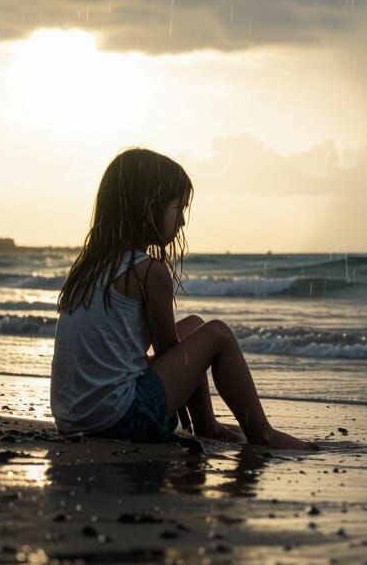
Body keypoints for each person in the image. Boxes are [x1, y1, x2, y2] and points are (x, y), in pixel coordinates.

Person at [50, 147, 316, 449]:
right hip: (119, 420)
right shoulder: (149, 272)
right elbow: (169, 352)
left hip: (73, 417)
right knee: (217, 334)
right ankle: (257, 432)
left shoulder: (89, 267)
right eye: (178, 208)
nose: (182, 223)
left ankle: (207, 426)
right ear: (149, 207)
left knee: (193, 326)